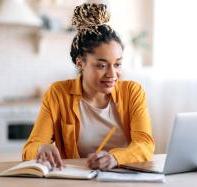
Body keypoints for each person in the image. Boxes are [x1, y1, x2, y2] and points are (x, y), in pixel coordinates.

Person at [22, 1, 155, 170]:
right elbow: (29, 148)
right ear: (80, 63)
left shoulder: (132, 92)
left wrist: (115, 158)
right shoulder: (58, 93)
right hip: (78, 179)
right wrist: (41, 149)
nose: (112, 74)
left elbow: (145, 144)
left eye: (117, 64)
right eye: (101, 65)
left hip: (124, 178)